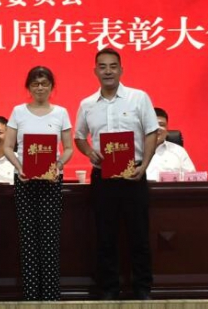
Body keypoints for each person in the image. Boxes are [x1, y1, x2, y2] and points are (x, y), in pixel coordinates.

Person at [74, 48, 159, 301]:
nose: (108, 71)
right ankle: (108, 290)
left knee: (139, 236)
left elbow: (151, 132)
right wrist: (89, 151)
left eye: (113, 66)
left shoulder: (138, 98)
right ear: (95, 71)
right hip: (103, 178)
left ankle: (142, 289)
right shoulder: (87, 104)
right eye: (102, 67)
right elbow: (79, 137)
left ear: (121, 70)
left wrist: (144, 165)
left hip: (134, 174)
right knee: (105, 237)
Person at [2, 66, 73, 301]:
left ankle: (51, 297)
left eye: (44, 83)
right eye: (35, 84)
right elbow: (7, 146)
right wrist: (19, 166)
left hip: (51, 181)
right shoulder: (18, 112)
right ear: (28, 87)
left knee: (50, 241)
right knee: (29, 240)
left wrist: (58, 165)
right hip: (24, 180)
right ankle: (31, 297)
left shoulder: (61, 113)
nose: (40, 88)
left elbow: (68, 148)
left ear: (52, 87)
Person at [145, 107, 196, 181]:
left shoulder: (179, 151)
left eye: (161, 124)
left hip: (171, 188)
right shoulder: (134, 151)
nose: (157, 128)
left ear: (167, 129)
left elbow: (192, 179)